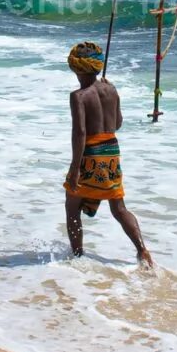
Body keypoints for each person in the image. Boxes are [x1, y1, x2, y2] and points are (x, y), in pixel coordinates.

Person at [63, 41, 153, 269]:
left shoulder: (79, 96)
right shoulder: (111, 90)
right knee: (119, 208)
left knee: (72, 205)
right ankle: (143, 251)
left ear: (75, 67)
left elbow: (80, 133)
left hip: (91, 154)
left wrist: (75, 169)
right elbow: (119, 123)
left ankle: (77, 257)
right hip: (112, 152)